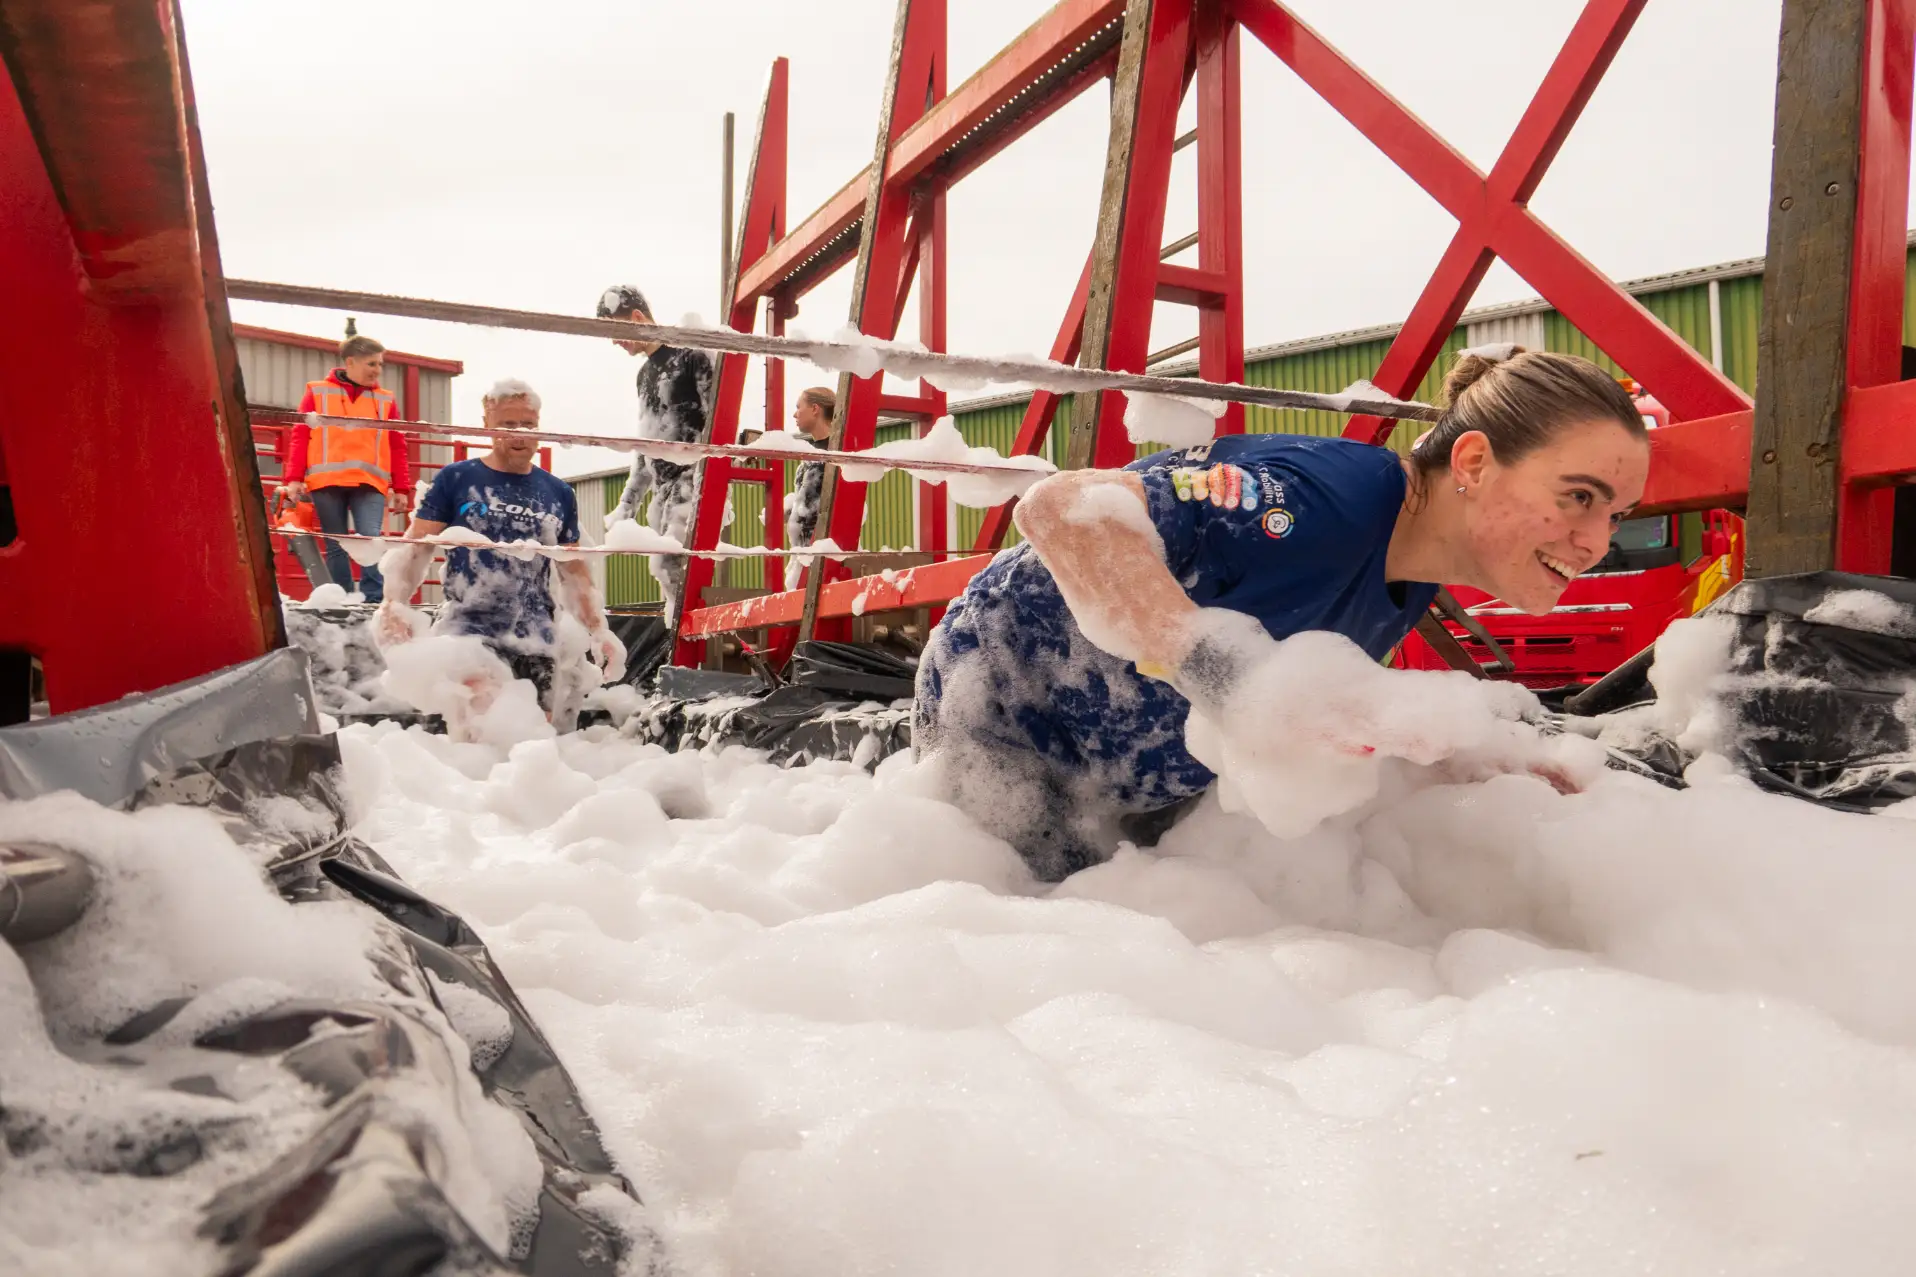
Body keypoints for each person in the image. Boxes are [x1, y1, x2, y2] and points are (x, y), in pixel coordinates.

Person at [914, 348, 1651, 881]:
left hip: (1126, 778)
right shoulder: (1316, 502)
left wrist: (1479, 760)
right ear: (1475, 462)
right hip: (1001, 719)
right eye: (1578, 496)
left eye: (1615, 514)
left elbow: (1303, 706)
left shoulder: (1411, 576)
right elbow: (1060, 509)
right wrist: (1220, 671)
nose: (1595, 541)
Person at [374, 379, 624, 733]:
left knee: (533, 742)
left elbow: (574, 572)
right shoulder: (456, 479)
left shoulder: (558, 493)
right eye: (508, 425)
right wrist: (392, 605)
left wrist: (598, 630)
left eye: (528, 425)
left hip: (537, 637)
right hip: (470, 633)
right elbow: (416, 548)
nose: (519, 435)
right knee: (480, 733)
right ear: (487, 424)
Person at [596, 284, 716, 621]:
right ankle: (681, 638)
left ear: (637, 318)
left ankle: (694, 638)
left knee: (670, 566)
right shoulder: (644, 374)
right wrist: (627, 503)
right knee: (665, 577)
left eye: (616, 331)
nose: (614, 342)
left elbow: (719, 421)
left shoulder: (693, 356)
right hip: (663, 488)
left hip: (696, 476)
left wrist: (710, 480)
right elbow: (646, 440)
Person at [277, 334, 411, 602]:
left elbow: (397, 444)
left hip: (370, 481)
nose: (377, 370)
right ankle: (343, 601)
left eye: (380, 364)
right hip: (326, 480)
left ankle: (374, 601)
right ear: (350, 362)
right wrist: (294, 478)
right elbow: (300, 435)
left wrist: (401, 487)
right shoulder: (317, 391)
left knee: (370, 540)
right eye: (371, 363)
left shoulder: (385, 399)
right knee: (336, 544)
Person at [784, 385, 836, 550]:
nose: (795, 414)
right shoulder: (812, 453)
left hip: (821, 549)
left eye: (799, 407)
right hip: (807, 550)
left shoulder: (835, 452)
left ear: (815, 409)